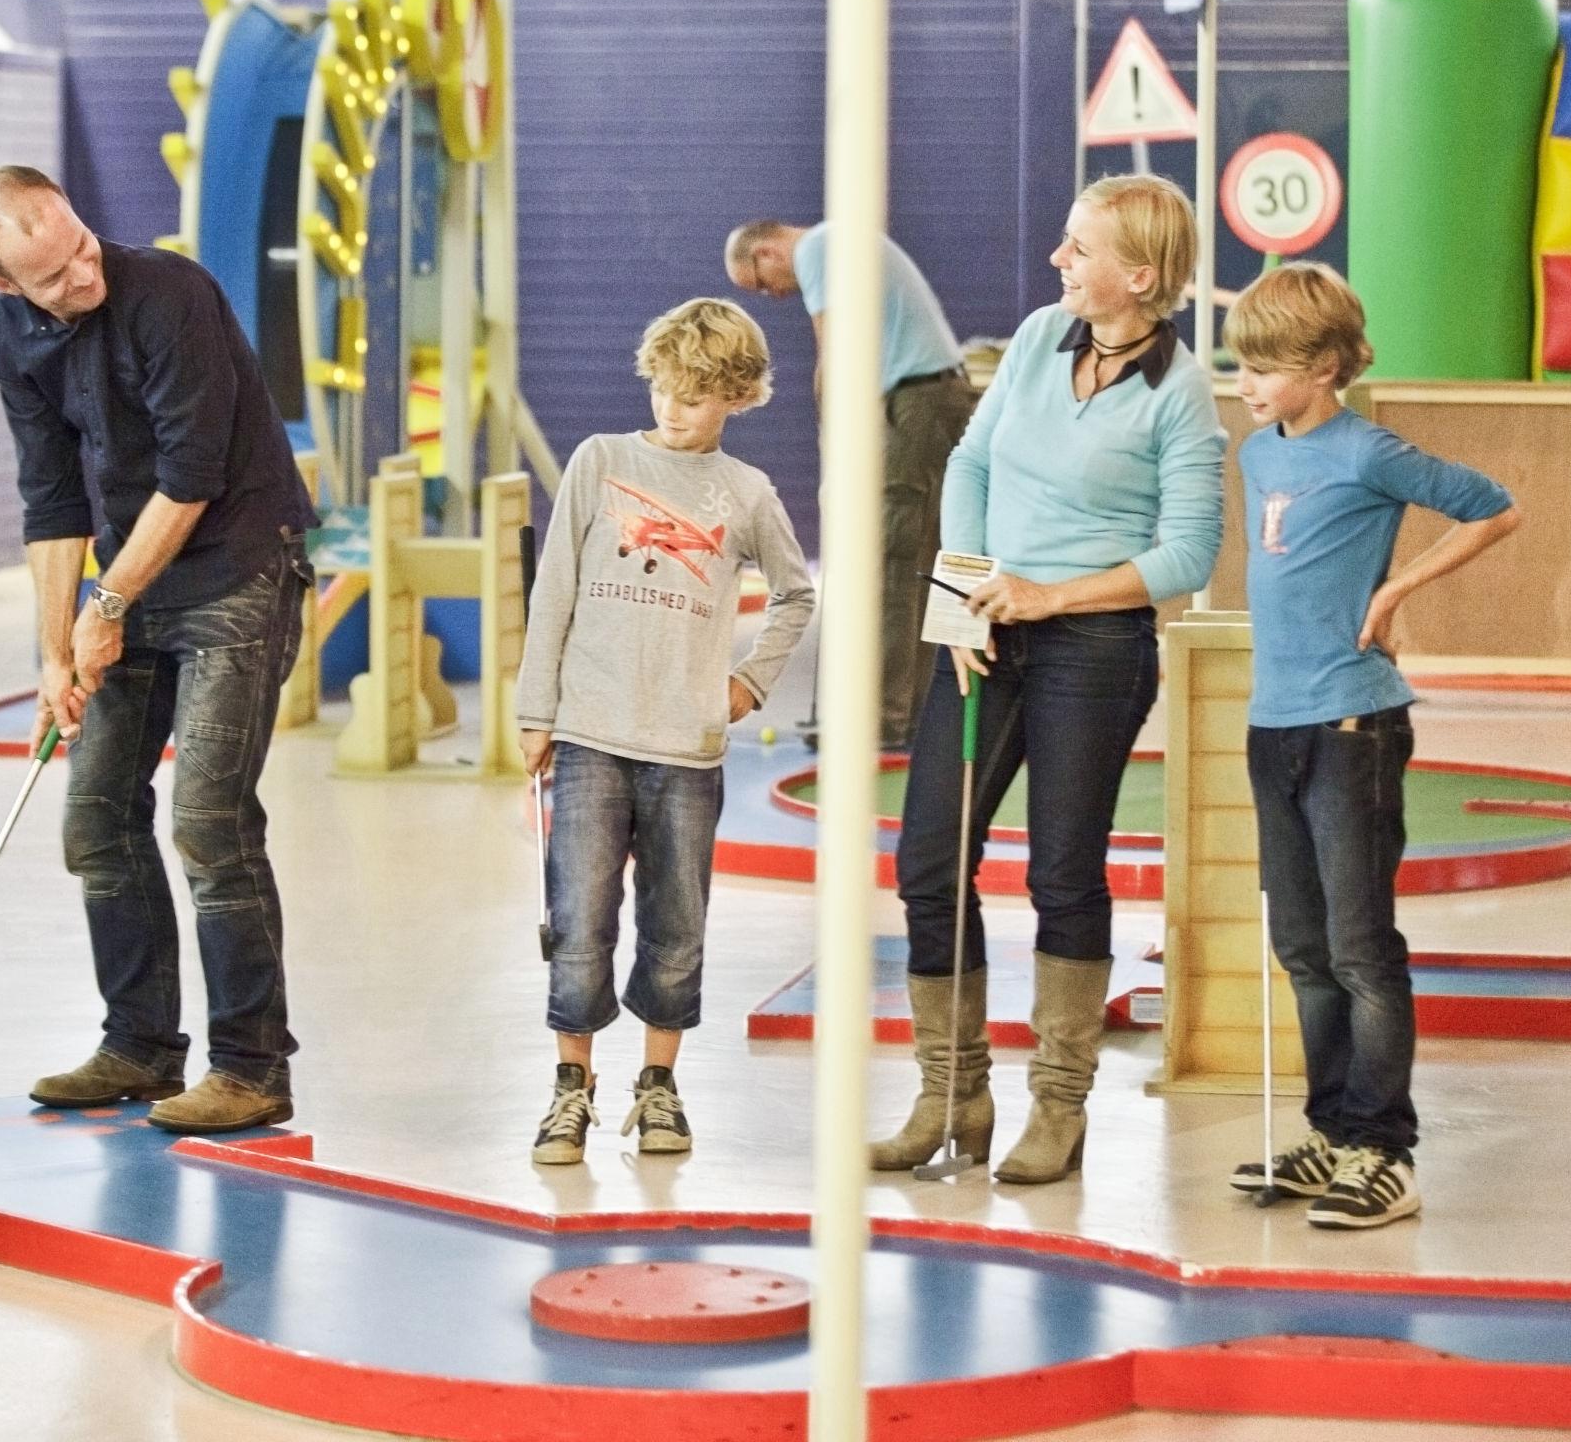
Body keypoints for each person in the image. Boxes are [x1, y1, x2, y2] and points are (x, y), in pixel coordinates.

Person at [871, 174, 1225, 1184]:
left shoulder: (1178, 392)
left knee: (1061, 874)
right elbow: (971, 468)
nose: (1056, 261)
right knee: (928, 861)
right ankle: (949, 1096)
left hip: (1094, 650)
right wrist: (965, 603)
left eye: (1078, 248)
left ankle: (1056, 1110)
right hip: (985, 629)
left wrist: (1047, 597)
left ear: (1139, 276)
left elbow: (1185, 556)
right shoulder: (1035, 340)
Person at [0, 165, 318, 1135]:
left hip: (238, 567)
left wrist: (105, 602)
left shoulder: (170, 293)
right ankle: (139, 1048)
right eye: (52, 277)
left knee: (207, 821)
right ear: (4, 288)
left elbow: (192, 474)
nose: (82, 276)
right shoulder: (10, 336)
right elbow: (50, 498)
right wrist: (52, 655)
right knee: (97, 820)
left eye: (80, 246)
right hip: (132, 576)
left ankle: (250, 1069)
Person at [1223, 262, 1519, 1228]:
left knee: (1359, 948)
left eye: (1267, 367)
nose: (1248, 384)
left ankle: (1385, 1149)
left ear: (1325, 368)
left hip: (1354, 724)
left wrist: (1393, 594)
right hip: (1275, 726)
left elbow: (1493, 506)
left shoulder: (1370, 451)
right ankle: (1332, 1131)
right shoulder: (1261, 453)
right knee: (1302, 948)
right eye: (1243, 364)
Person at [516, 298, 814, 1165]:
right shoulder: (599, 461)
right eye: (665, 387)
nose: (674, 407)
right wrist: (537, 711)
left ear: (736, 397)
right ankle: (571, 1087)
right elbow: (555, 590)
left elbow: (798, 594)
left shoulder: (747, 493)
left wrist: (751, 683)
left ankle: (659, 1087)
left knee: (676, 925)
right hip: (589, 734)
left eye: (695, 394)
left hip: (686, 748)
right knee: (577, 918)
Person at [724, 220, 974, 747]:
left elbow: (834, 354)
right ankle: (911, 713)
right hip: (933, 401)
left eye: (763, 284)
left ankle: (879, 721)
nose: (772, 295)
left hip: (916, 406)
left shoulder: (817, 247)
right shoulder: (842, 240)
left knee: (890, 562)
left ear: (768, 251)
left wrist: (832, 441)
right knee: (919, 561)